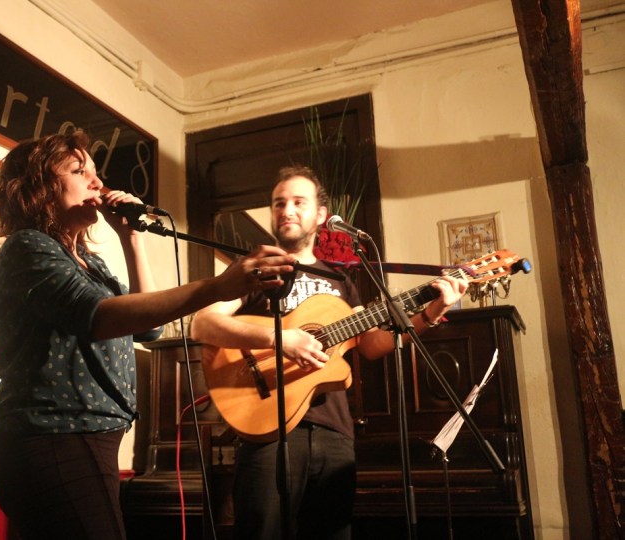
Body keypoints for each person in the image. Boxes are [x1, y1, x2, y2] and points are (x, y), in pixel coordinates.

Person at [0, 130, 297, 540]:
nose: (98, 182)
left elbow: (148, 327)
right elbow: (97, 316)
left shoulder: (89, 261)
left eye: (95, 172)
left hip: (82, 439)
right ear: (38, 187)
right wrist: (217, 287)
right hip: (53, 438)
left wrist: (131, 238)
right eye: (79, 171)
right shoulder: (29, 246)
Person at [190, 165, 468, 540]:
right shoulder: (257, 270)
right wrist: (280, 339)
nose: (286, 210)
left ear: (321, 215)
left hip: (334, 434)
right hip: (267, 428)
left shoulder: (341, 281)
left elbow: (372, 344)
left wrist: (431, 312)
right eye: (279, 203)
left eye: (298, 202)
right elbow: (202, 324)